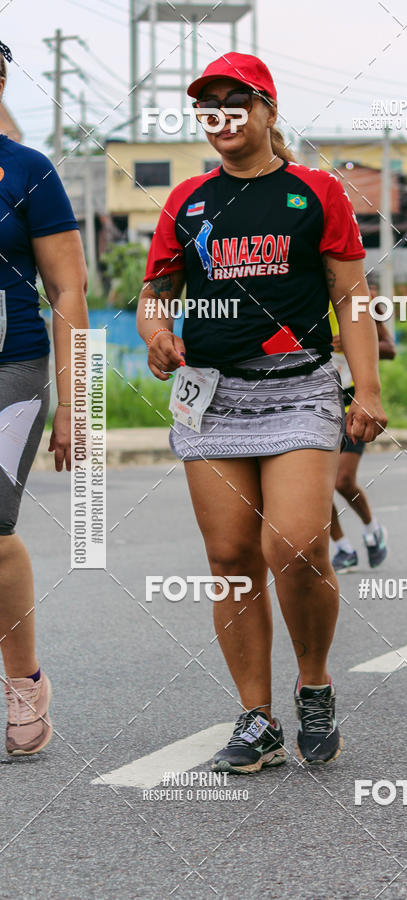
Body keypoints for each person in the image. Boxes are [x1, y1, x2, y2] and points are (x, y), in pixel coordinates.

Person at [137, 52, 387, 773]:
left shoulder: (315, 192)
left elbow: (351, 296)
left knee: (299, 543)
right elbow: (157, 292)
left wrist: (365, 389)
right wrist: (157, 333)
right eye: (208, 103)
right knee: (230, 558)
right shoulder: (186, 201)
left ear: (269, 111)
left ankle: (314, 685)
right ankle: (258, 719)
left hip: (300, 384)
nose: (221, 114)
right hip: (211, 396)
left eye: (235, 100)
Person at [0, 40, 89, 754]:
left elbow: (68, 290)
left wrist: (75, 406)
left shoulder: (28, 171)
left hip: (13, 369)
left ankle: (24, 681)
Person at [329, 278, 395, 572]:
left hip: (353, 402)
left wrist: (351, 343)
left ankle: (372, 529)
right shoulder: (305, 298)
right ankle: (342, 547)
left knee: (342, 480)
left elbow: (390, 348)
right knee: (312, 488)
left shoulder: (366, 302)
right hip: (315, 401)